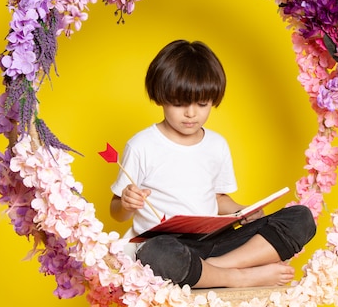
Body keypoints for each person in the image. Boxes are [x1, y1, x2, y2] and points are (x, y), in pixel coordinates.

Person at [110, 40, 316, 288]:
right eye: (179, 103)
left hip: (213, 243)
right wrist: (126, 203)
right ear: (161, 97)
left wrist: (244, 210)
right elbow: (117, 212)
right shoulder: (142, 145)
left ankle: (213, 270)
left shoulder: (217, 145)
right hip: (166, 244)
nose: (191, 113)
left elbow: (217, 199)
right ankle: (237, 276)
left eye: (202, 104)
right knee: (156, 254)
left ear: (213, 100)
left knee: (301, 218)